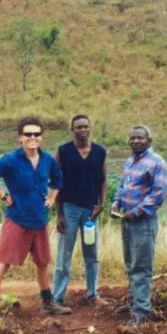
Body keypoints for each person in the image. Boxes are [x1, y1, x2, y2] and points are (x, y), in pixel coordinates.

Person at [0, 116, 72, 316]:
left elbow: (58, 178)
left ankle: (48, 302)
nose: (33, 138)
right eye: (28, 134)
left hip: (40, 220)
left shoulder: (47, 160)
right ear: (20, 137)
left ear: (41, 137)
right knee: (3, 262)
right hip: (17, 219)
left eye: (37, 134)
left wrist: (53, 197)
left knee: (42, 262)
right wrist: (3, 195)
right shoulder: (10, 160)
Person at [112, 125, 167, 326]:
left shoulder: (156, 162)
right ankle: (132, 302)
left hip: (143, 221)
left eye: (140, 138)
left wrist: (135, 212)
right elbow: (122, 185)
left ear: (149, 140)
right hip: (127, 220)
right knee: (130, 264)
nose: (136, 141)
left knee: (141, 266)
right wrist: (116, 203)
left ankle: (142, 310)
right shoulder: (130, 161)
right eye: (132, 138)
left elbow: (158, 194)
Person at [52, 114, 109, 306]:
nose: (82, 130)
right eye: (78, 127)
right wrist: (59, 213)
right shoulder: (63, 151)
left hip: (91, 211)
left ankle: (92, 294)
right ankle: (57, 297)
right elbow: (56, 183)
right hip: (70, 208)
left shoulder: (100, 151)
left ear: (90, 127)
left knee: (92, 255)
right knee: (63, 255)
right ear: (72, 130)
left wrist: (101, 204)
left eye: (85, 126)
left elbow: (103, 180)